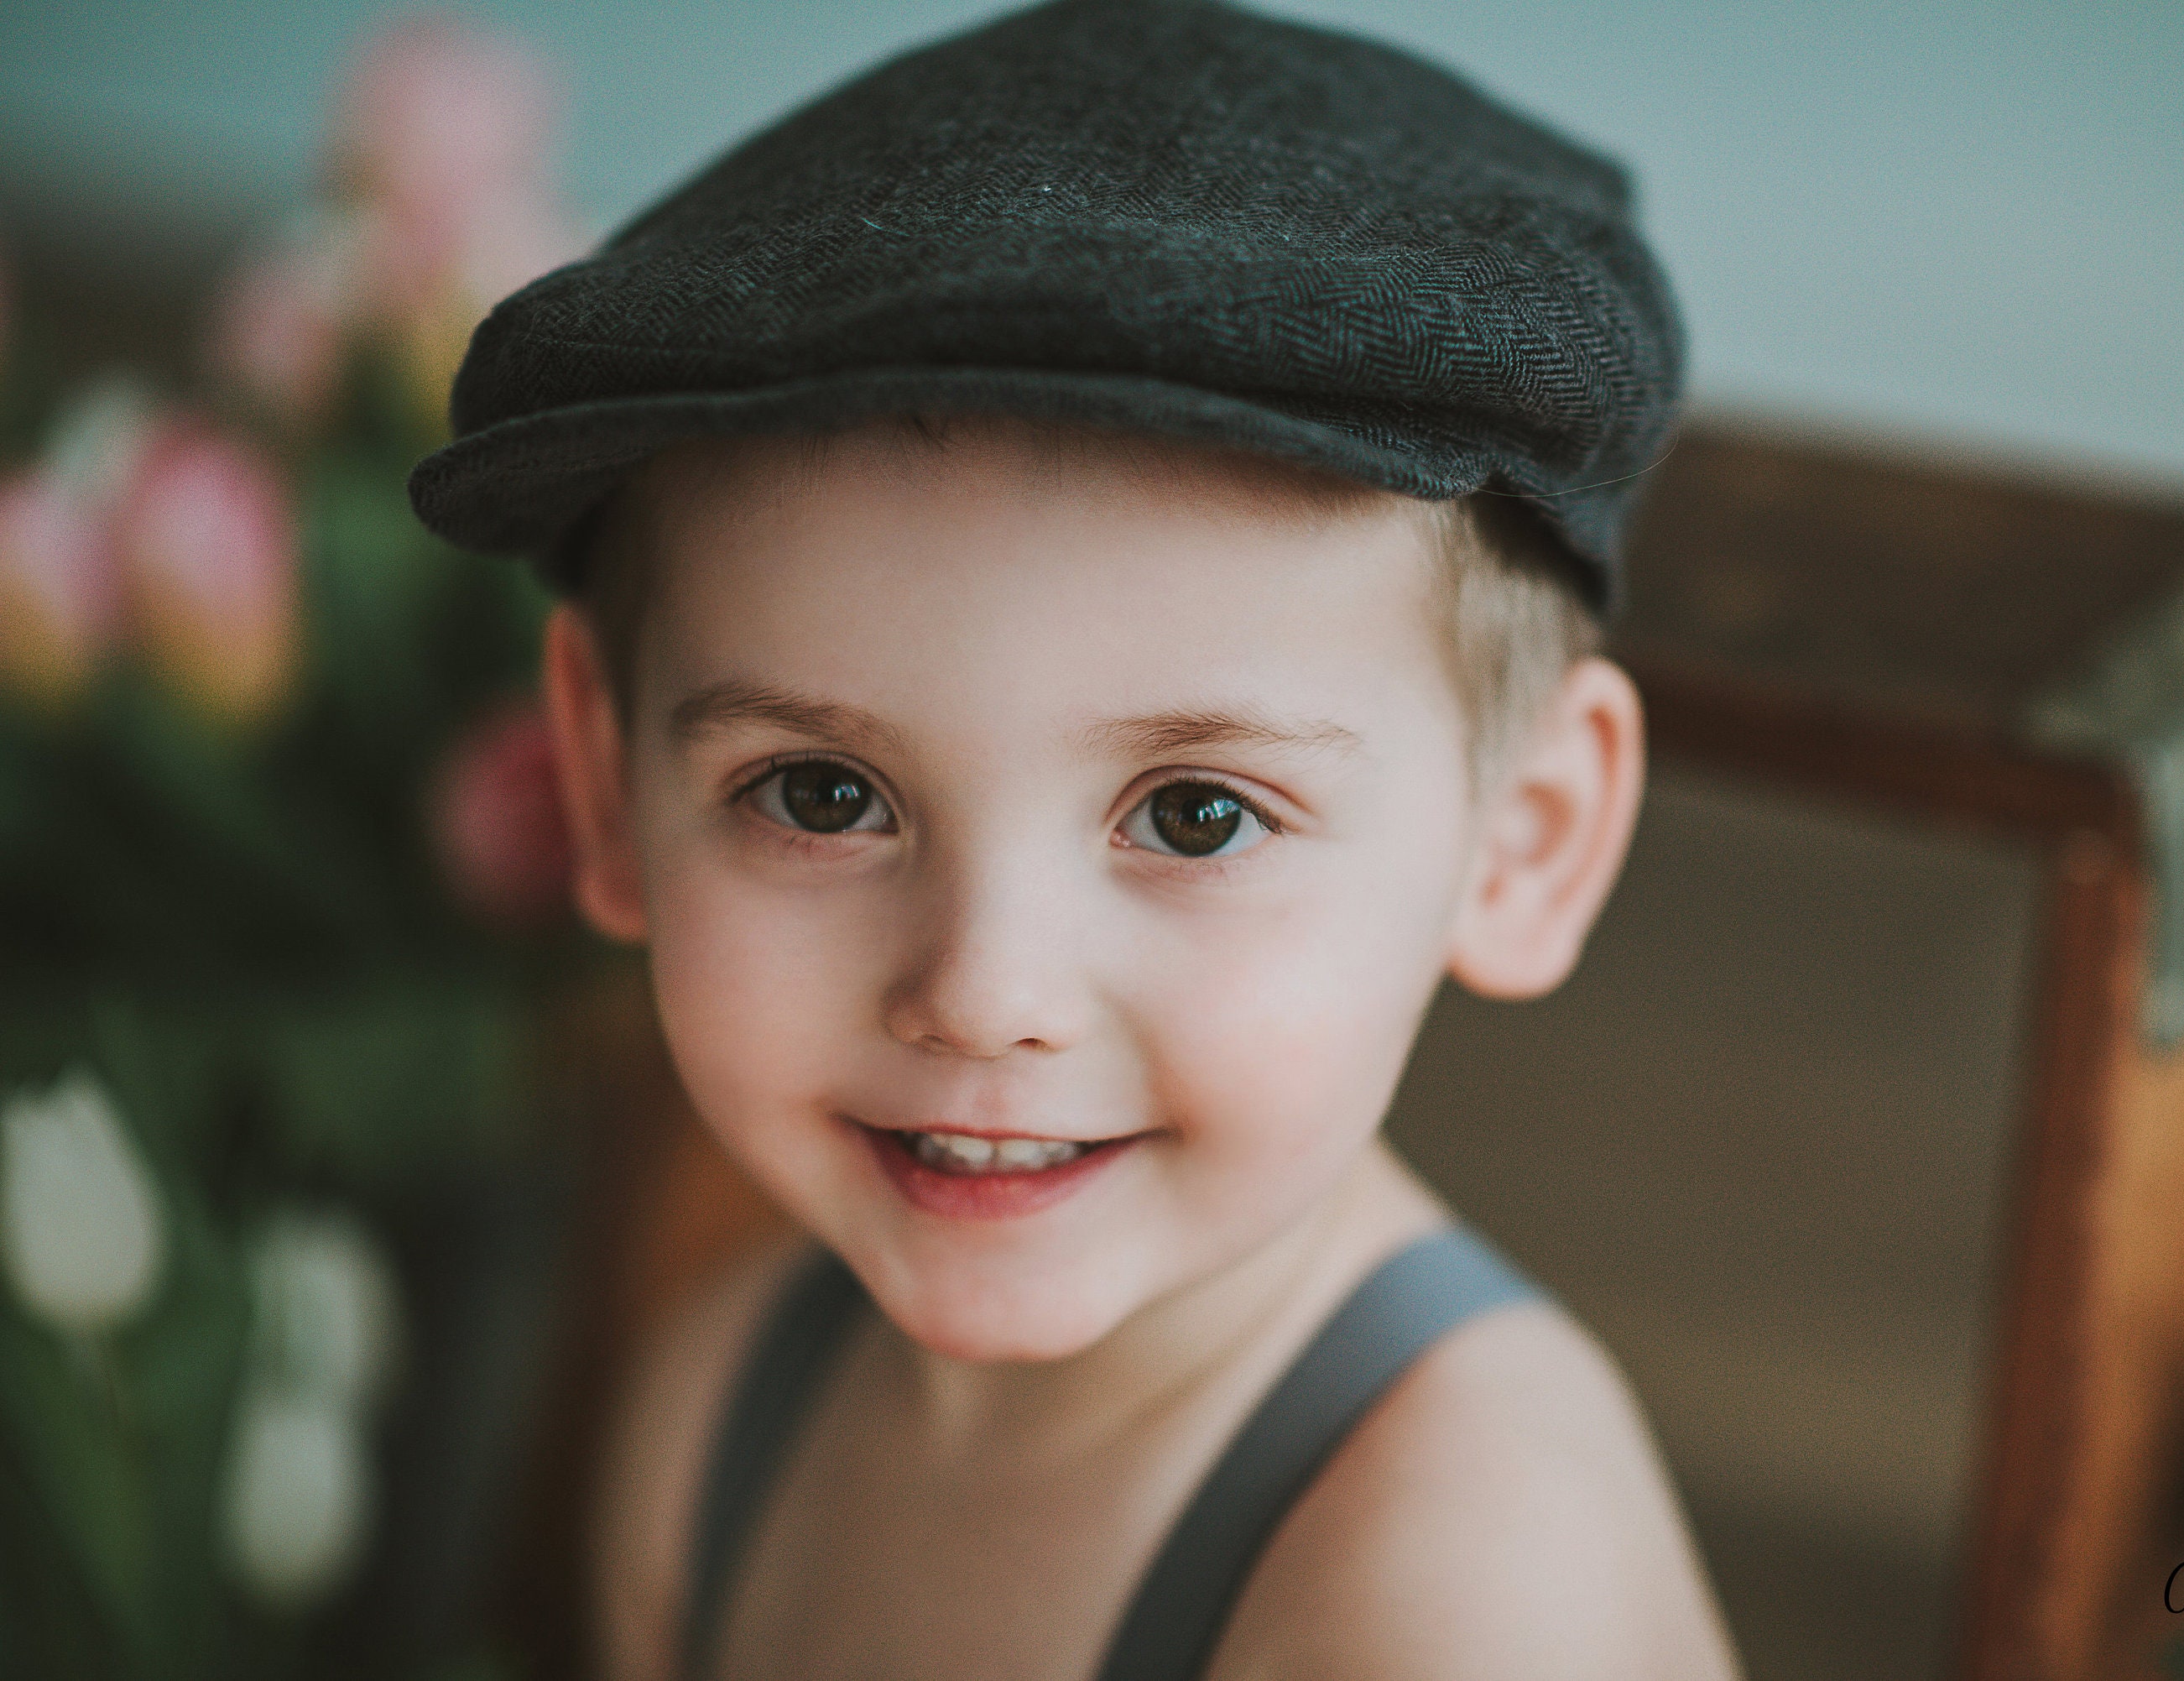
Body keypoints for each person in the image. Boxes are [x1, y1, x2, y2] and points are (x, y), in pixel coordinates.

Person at [409, 1, 1739, 1676]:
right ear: (609, 790)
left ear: (1525, 841)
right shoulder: (715, 1410)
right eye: (822, 793)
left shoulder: (1463, 1589)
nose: (983, 993)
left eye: (1197, 814)